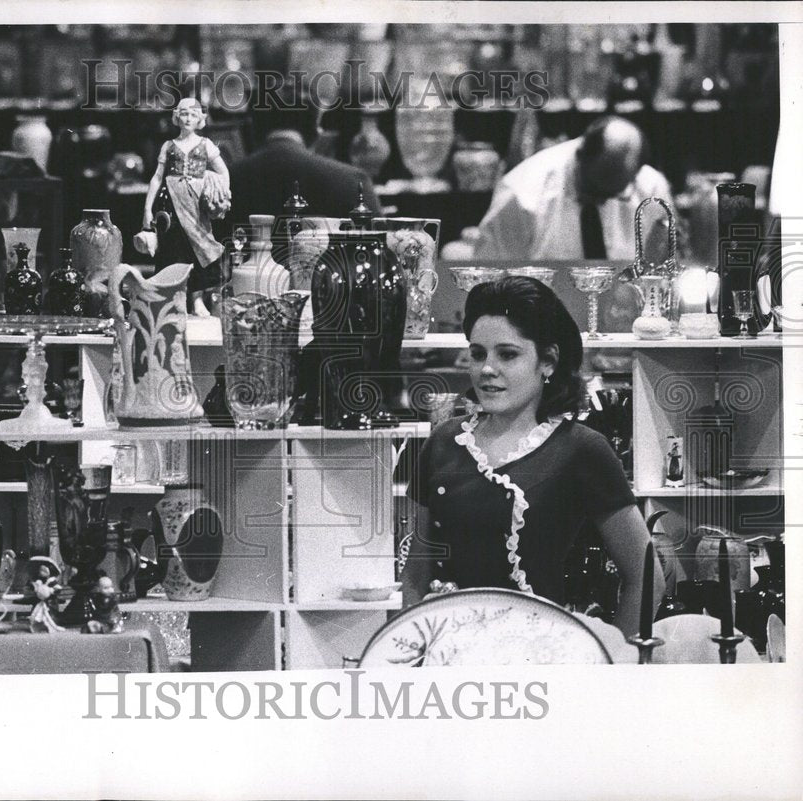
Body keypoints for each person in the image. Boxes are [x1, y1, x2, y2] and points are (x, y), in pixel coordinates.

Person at [403, 276, 663, 636]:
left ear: (548, 361)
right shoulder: (444, 441)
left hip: (541, 656)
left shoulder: (582, 449)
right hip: (448, 653)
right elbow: (416, 576)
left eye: (507, 354)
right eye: (478, 354)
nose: (487, 369)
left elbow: (647, 577)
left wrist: (614, 664)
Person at [473, 116, 672, 261]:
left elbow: (661, 273)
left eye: (614, 193)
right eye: (594, 190)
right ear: (580, 156)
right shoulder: (521, 194)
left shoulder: (651, 189)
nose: (601, 201)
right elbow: (491, 278)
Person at [217, 105, 381, 250]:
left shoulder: (224, 180)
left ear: (253, 130)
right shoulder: (354, 181)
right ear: (316, 132)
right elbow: (377, 253)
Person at [142, 97, 231, 317]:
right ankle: (174, 298)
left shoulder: (206, 145)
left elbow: (223, 172)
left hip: (197, 205)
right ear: (176, 117)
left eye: (193, 114)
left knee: (198, 249)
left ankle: (197, 299)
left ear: (200, 118)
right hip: (170, 204)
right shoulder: (168, 146)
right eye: (184, 113)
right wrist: (147, 209)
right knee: (173, 249)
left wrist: (218, 196)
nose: (188, 118)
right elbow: (156, 178)